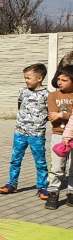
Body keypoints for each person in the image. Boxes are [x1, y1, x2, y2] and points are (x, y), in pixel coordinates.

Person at [0, 63, 50, 199]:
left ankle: (42, 187)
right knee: (15, 160)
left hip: (36, 134)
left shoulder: (47, 94)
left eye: (28, 78)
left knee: (40, 162)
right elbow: (20, 106)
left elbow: (49, 113)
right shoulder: (22, 91)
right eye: (25, 78)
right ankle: (12, 184)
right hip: (20, 132)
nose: (26, 80)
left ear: (39, 78)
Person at [46, 65, 73, 209]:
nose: (60, 82)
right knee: (57, 166)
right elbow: (52, 116)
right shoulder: (53, 96)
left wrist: (61, 115)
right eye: (59, 79)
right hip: (58, 134)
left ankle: (71, 193)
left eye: (64, 80)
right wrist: (63, 115)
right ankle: (53, 192)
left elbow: (59, 115)